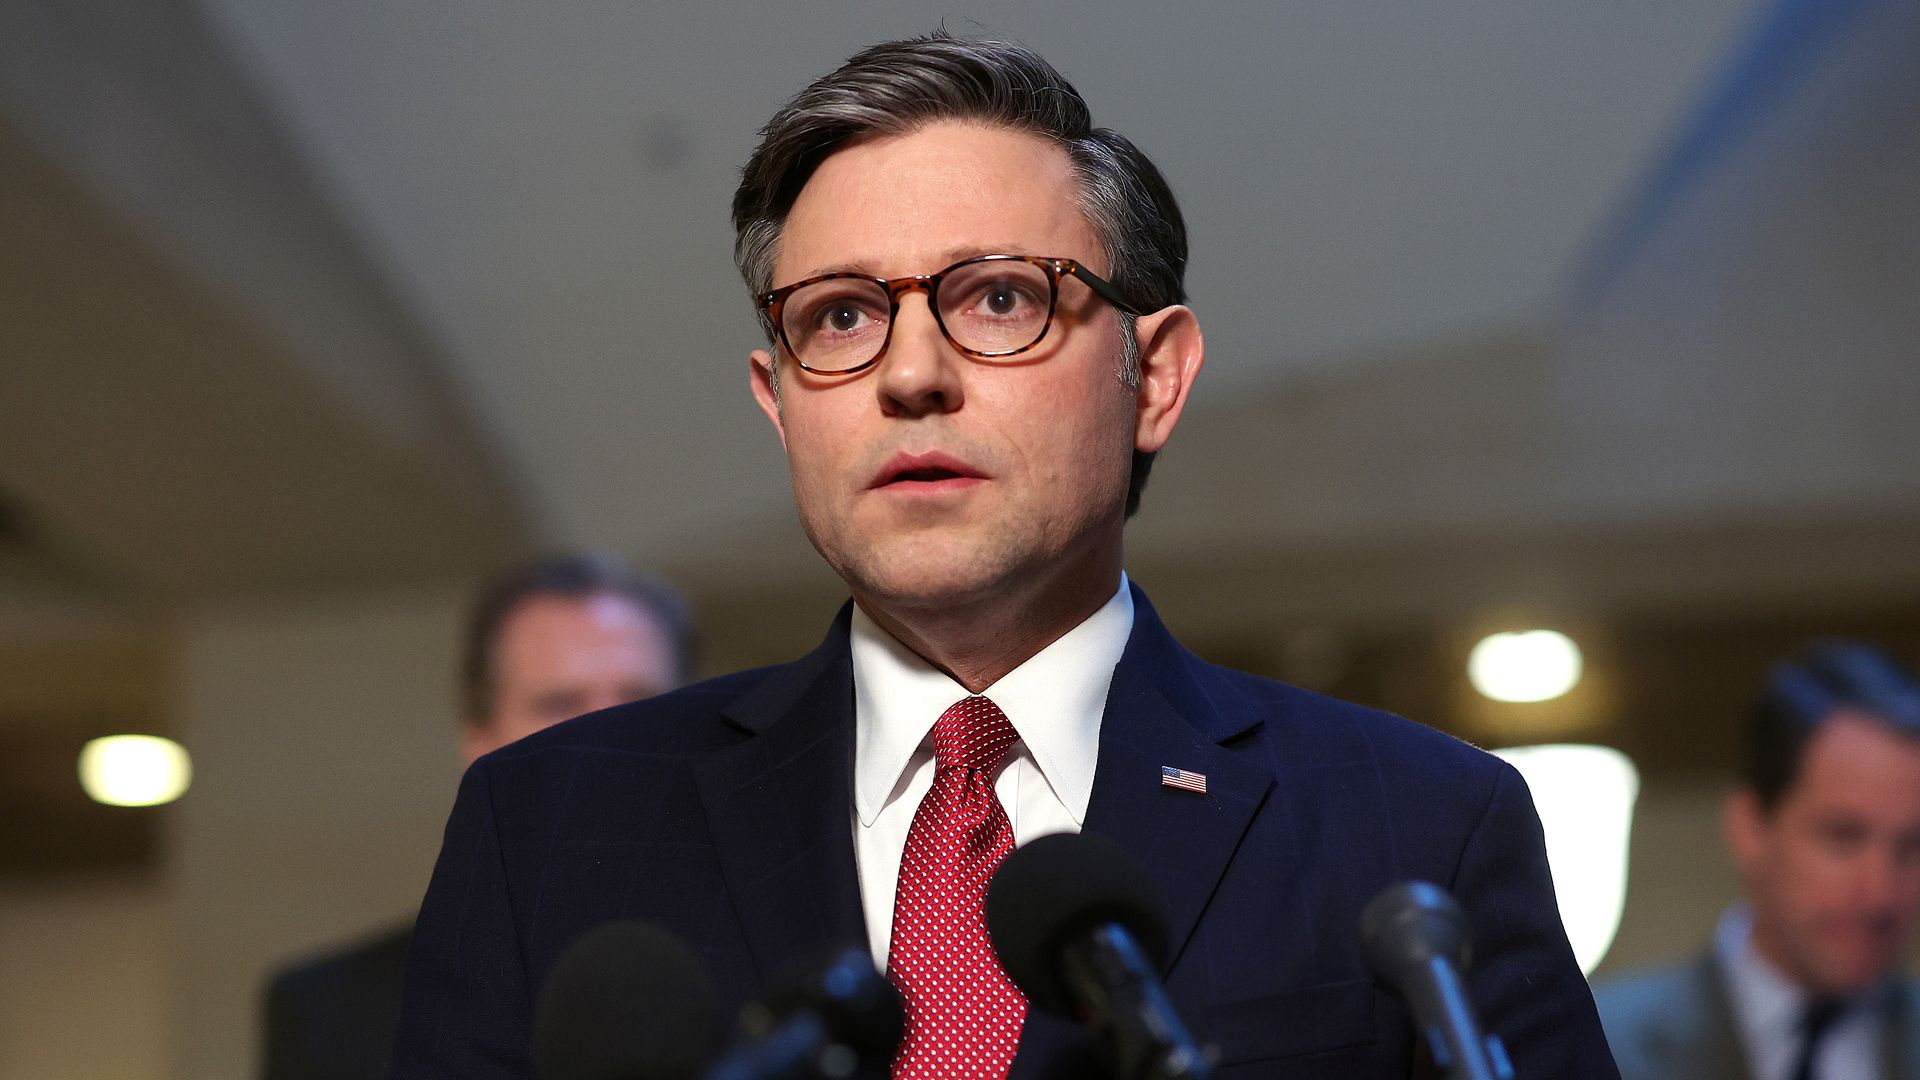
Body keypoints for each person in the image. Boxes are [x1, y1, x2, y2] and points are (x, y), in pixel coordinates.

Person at [393, 34, 1615, 1079]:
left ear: (1158, 376)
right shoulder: (549, 822)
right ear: (779, 402)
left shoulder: (1417, 830)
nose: (911, 376)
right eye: (842, 317)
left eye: (997, 300)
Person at [259, 553, 691, 1080]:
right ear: (479, 744)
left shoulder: (783, 961)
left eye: (642, 701)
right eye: (560, 704)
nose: (608, 734)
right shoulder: (331, 1010)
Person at [1595, 641, 1920, 1080]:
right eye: (1843, 837)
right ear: (1749, 826)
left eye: (1911, 846)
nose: (1881, 890)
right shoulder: (1601, 1044)